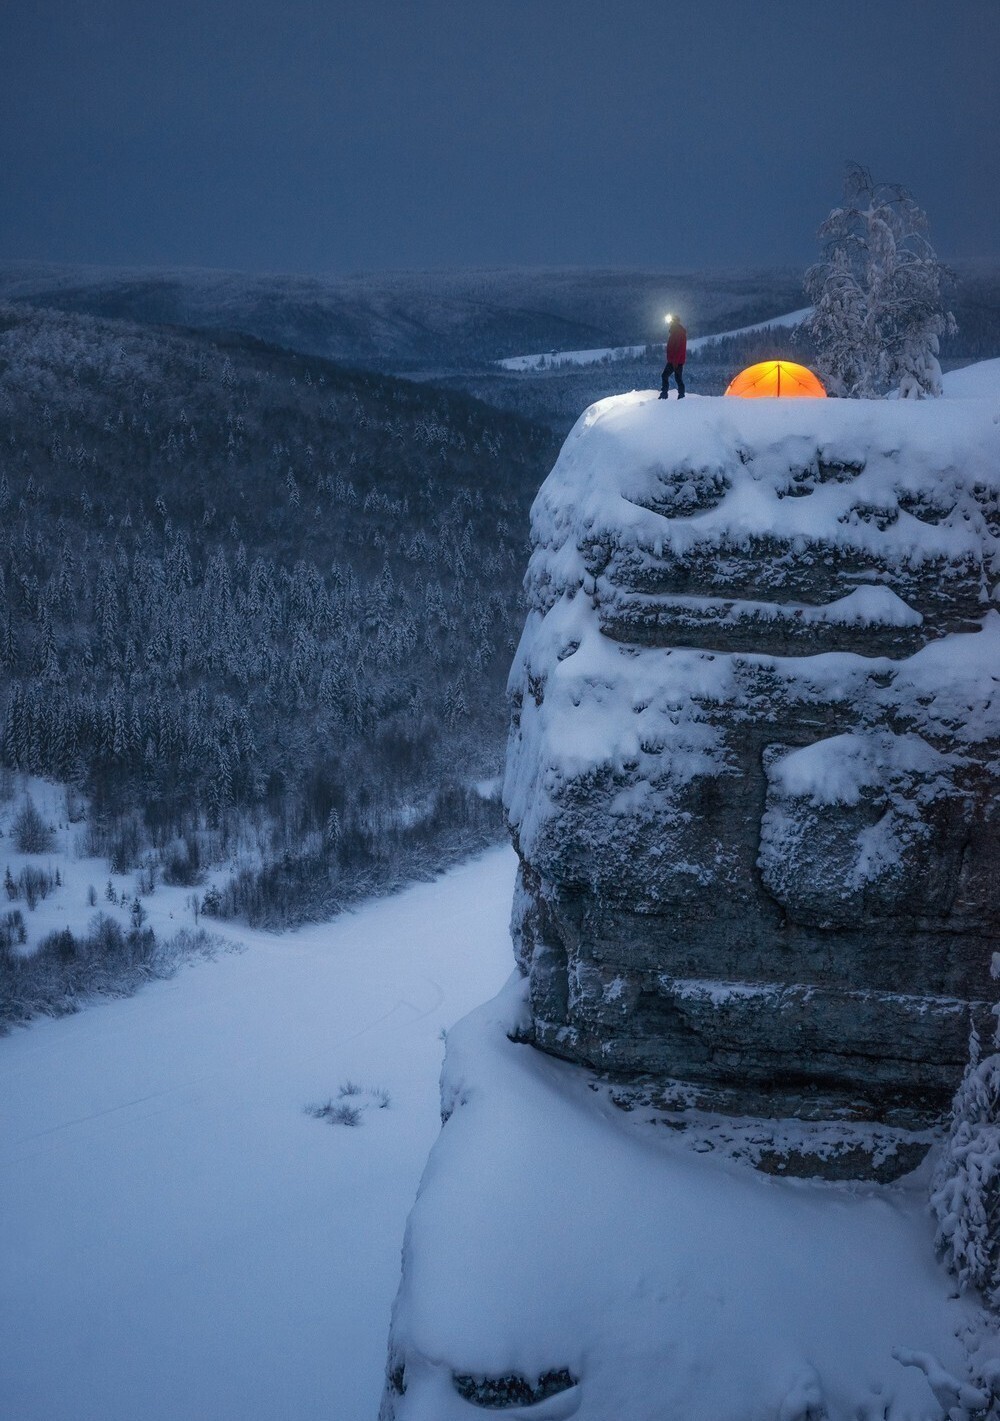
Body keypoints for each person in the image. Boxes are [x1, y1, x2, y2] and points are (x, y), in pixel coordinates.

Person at [659, 315, 687, 399]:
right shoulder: (676, 332)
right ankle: (679, 395)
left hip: (675, 361)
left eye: (672, 321)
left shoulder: (678, 333)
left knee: (669, 376)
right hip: (674, 360)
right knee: (677, 378)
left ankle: (667, 394)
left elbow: (679, 348)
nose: (670, 323)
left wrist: (675, 361)